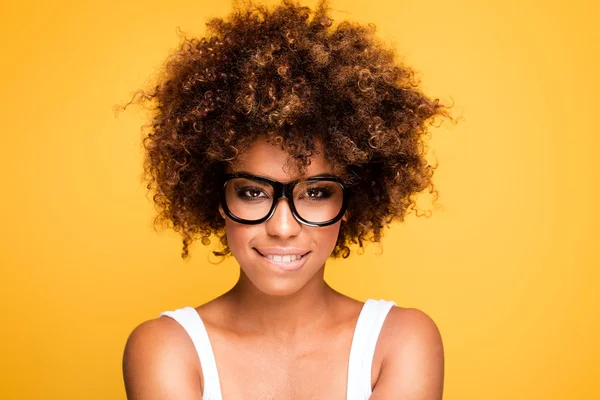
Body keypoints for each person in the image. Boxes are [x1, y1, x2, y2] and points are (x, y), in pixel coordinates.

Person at [122, 0, 450, 398]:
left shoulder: (400, 342)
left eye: (314, 192)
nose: (282, 228)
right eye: (252, 192)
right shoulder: (166, 348)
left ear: (350, 202)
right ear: (217, 197)